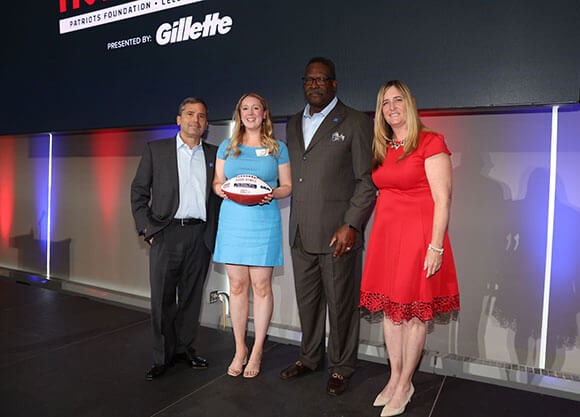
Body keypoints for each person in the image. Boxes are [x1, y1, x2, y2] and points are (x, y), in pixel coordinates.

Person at [359, 80, 460, 416]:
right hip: (386, 237)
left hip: (420, 238)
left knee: (414, 313)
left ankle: (405, 384)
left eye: (397, 100)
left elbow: (443, 200)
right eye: (385, 102)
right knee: (391, 312)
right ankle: (394, 378)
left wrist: (436, 247)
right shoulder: (382, 146)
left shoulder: (431, 141)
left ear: (411, 104)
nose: (391, 107)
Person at [280, 57, 376, 396]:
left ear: (335, 84)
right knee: (308, 304)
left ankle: (341, 367)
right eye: (310, 79)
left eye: (322, 79)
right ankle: (309, 358)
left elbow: (367, 181)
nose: (315, 84)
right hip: (300, 232)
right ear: (303, 83)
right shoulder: (292, 123)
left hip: (339, 236)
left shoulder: (355, 122)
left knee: (341, 305)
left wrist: (351, 224)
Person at [130, 97, 221, 380]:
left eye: (202, 116)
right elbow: (139, 193)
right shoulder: (156, 150)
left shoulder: (216, 155)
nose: (196, 120)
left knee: (191, 299)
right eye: (190, 114)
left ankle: (183, 349)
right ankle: (162, 356)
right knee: (162, 300)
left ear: (206, 124)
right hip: (166, 234)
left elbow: (220, 198)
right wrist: (149, 230)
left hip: (200, 236)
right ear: (179, 119)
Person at [212, 93, 292, 378]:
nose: (250, 113)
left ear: (264, 113)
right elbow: (217, 183)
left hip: (263, 221)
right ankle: (239, 348)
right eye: (245, 108)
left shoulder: (277, 148)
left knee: (261, 287)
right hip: (233, 220)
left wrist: (272, 193)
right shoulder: (227, 146)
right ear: (239, 114)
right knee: (236, 286)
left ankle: (257, 349)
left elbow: (287, 186)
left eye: (255, 108)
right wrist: (221, 190)